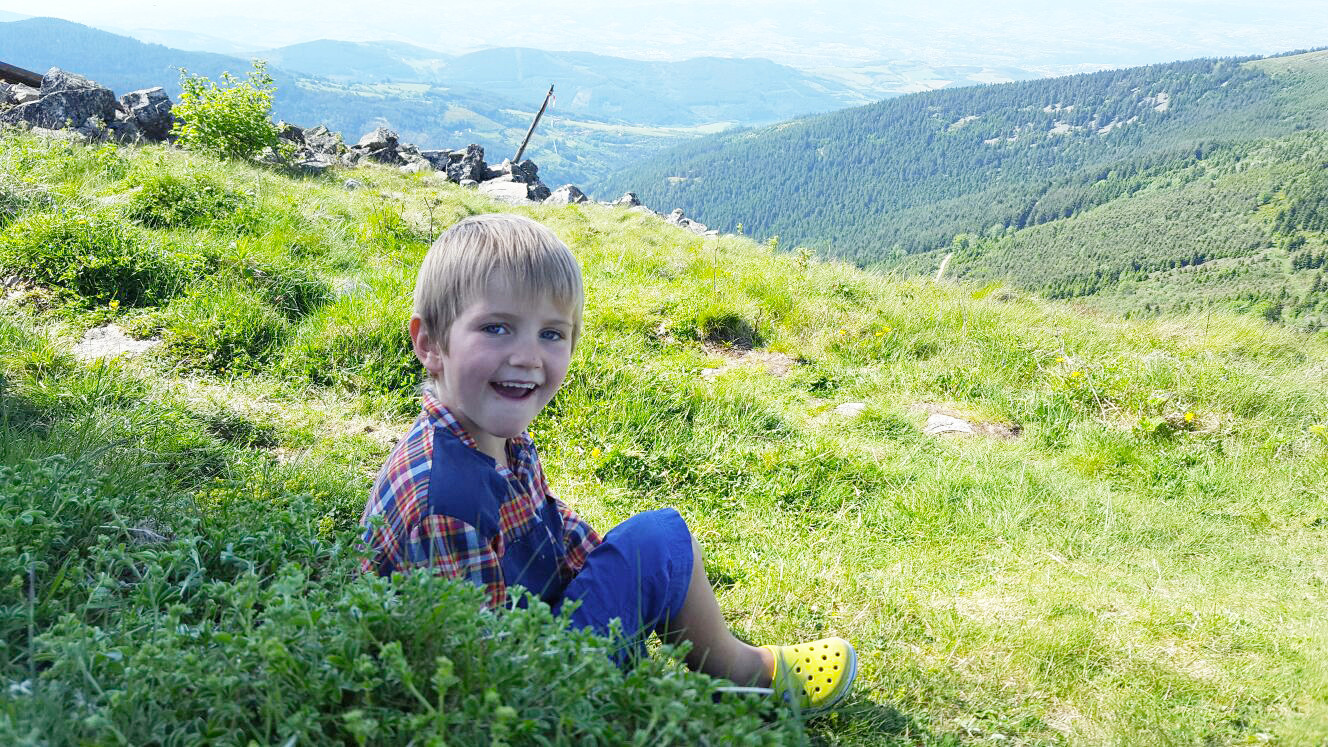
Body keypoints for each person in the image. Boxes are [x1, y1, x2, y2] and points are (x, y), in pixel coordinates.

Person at [359, 213, 855, 713]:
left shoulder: (489, 439)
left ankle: (698, 651)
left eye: (552, 334)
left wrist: (615, 571)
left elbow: (549, 525)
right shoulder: (447, 504)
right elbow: (475, 683)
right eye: (497, 327)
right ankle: (744, 676)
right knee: (660, 540)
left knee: (645, 553)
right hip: (524, 695)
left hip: (530, 632)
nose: (528, 356)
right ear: (430, 343)